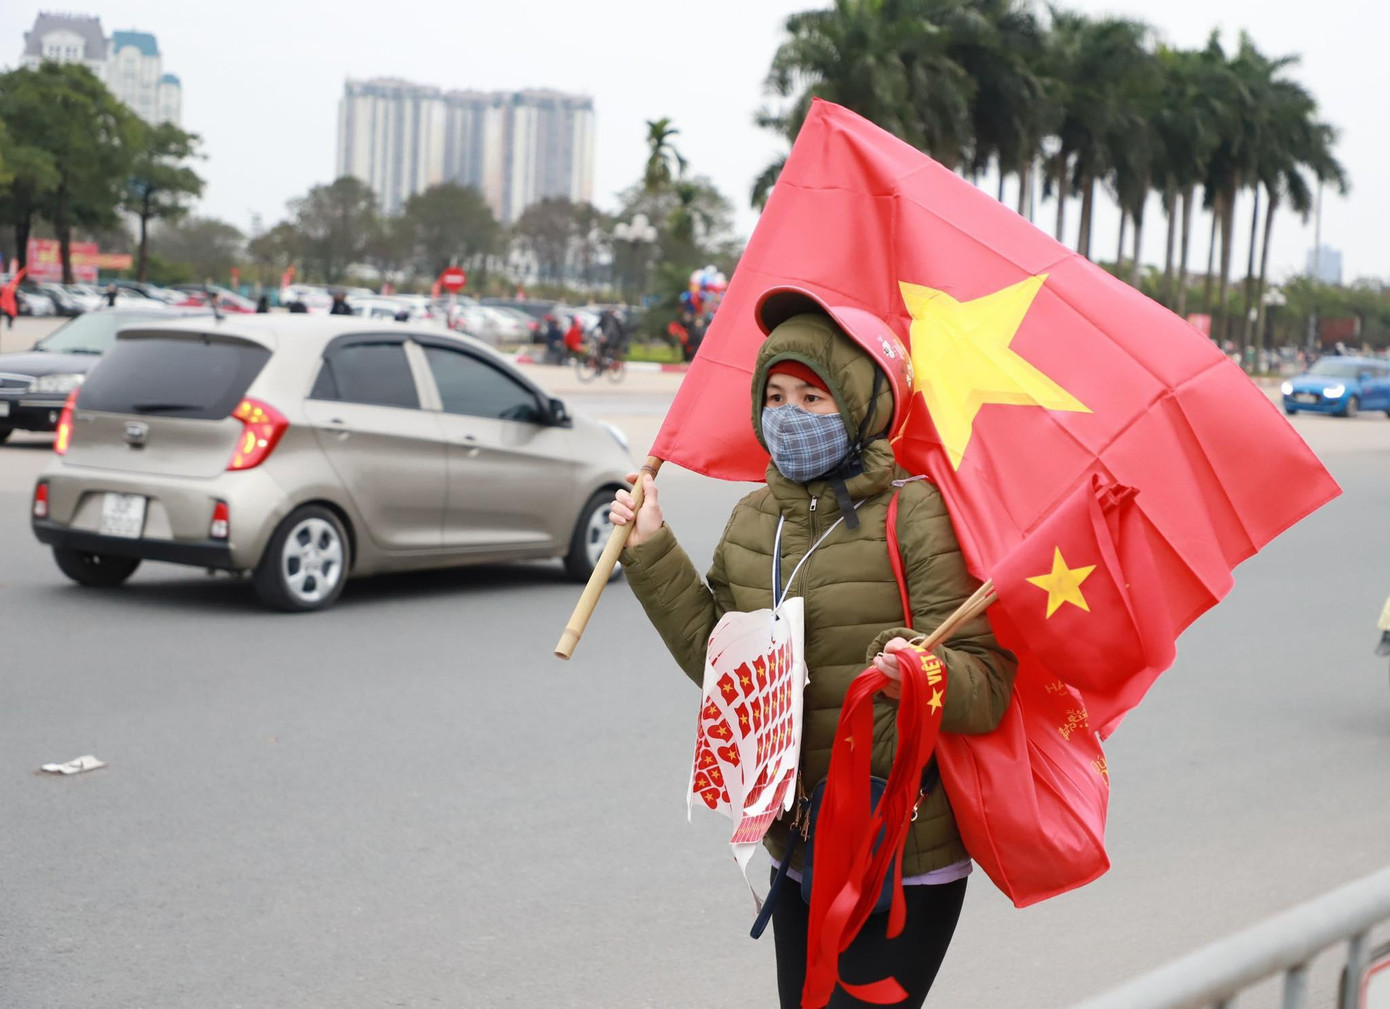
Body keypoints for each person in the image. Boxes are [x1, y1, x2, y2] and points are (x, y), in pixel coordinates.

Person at [609, 287, 1017, 1008]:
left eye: (812, 397)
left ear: (858, 406)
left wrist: (921, 671)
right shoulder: (751, 518)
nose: (788, 415)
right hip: (798, 846)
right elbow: (720, 663)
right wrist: (650, 549)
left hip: (902, 852)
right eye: (775, 396)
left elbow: (986, 684)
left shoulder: (915, 513)